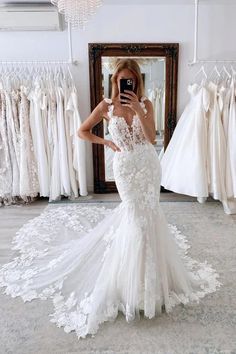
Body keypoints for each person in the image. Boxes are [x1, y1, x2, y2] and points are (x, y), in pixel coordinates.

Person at [0, 59, 221, 340]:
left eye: (130, 80)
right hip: (126, 169)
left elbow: (152, 138)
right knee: (134, 218)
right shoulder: (105, 106)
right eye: (120, 80)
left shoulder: (147, 104)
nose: (124, 85)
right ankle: (129, 284)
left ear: (137, 82)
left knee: (150, 215)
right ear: (114, 81)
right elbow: (81, 131)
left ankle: (150, 281)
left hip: (148, 165)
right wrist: (105, 143)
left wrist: (139, 110)